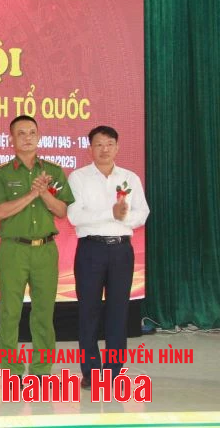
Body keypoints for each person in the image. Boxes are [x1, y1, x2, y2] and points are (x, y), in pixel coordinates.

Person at [0, 115, 74, 380]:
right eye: (21, 133)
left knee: (44, 312)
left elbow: (62, 211)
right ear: (11, 139)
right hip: (13, 250)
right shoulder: (1, 173)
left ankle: (41, 371)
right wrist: (32, 194)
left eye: (32, 132)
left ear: (38, 136)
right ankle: (11, 371)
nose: (27, 137)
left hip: (45, 250)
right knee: (10, 312)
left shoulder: (53, 171)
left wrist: (45, 193)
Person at [67, 126, 149, 388]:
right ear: (90, 148)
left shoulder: (130, 177)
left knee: (118, 311)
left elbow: (142, 213)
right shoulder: (78, 178)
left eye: (109, 144)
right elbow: (74, 216)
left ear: (117, 147)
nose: (104, 149)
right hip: (91, 250)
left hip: (121, 251)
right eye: (99, 144)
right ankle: (91, 372)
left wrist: (124, 216)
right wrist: (110, 213)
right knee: (88, 311)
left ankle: (113, 372)